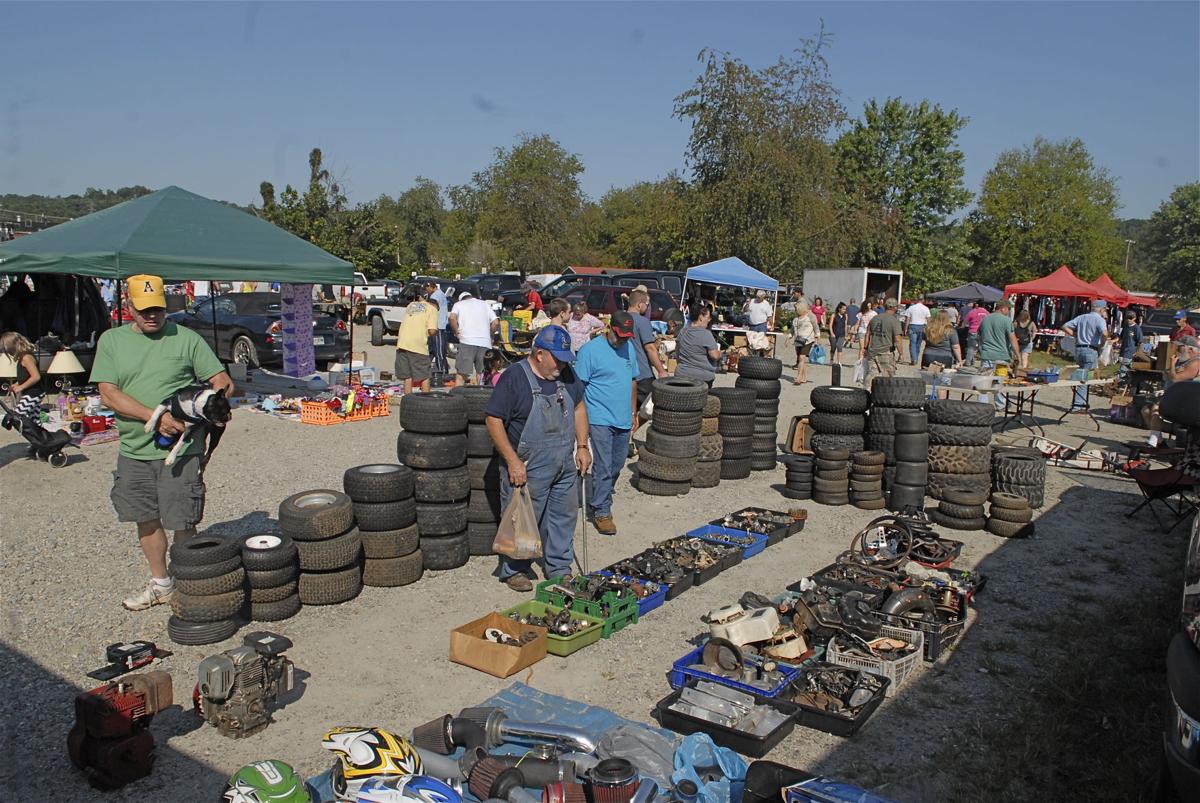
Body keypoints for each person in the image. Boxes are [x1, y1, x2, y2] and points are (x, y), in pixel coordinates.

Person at [89, 275, 234, 611]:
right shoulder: (111, 341)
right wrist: (155, 416)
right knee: (146, 518)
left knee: (183, 519)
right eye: (143, 309)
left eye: (157, 309)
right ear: (129, 306)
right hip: (133, 450)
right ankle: (162, 584)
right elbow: (108, 394)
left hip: (181, 450)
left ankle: (190, 584)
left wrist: (203, 408)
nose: (151, 315)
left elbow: (223, 382)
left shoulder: (187, 339)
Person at [484, 325, 591, 591]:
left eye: (566, 359)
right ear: (540, 354)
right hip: (529, 465)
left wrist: (582, 446)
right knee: (522, 519)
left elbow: (578, 407)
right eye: (558, 358)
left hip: (563, 462)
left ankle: (558, 566)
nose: (563, 364)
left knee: (563, 517)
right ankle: (514, 569)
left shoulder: (567, 375)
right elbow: (493, 419)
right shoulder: (515, 377)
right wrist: (512, 461)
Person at [573, 311, 639, 536]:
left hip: (622, 417)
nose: (622, 340)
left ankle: (601, 495)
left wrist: (633, 412)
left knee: (617, 464)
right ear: (609, 327)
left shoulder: (629, 347)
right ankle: (601, 511)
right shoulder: (589, 351)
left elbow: (632, 381)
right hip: (599, 416)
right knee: (603, 464)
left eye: (626, 336)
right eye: (619, 335)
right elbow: (578, 388)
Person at [628, 289, 668, 451]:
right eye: (647, 304)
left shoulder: (619, 319)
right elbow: (650, 348)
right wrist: (662, 371)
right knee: (650, 407)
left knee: (629, 410)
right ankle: (629, 435)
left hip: (625, 374)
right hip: (642, 373)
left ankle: (626, 436)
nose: (648, 307)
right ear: (639, 304)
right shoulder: (642, 322)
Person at [1061, 300, 1110, 411]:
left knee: (1079, 376)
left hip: (1079, 348)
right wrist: (1102, 344)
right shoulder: (1099, 320)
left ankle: (1079, 402)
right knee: (1085, 378)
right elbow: (1105, 333)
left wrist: (1075, 335)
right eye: (1105, 309)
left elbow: (1065, 326)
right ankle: (1079, 404)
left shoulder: (1081, 317)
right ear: (1101, 309)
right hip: (1091, 349)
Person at [978, 299, 1021, 409]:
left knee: (984, 382)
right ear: (1003, 308)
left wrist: (981, 349)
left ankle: (982, 405)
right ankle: (1001, 404)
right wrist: (1018, 355)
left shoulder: (985, 319)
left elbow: (979, 336)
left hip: (987, 355)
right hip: (1002, 357)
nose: (1009, 311)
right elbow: (1013, 339)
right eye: (1009, 309)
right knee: (1000, 382)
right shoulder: (1006, 320)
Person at [394, 288, 439, 394]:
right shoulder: (432, 309)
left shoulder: (411, 306)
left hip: (402, 343)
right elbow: (432, 331)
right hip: (418, 345)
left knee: (407, 376)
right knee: (424, 376)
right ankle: (425, 402)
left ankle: (407, 401)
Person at [449, 290, 498, 385]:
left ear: (461, 299)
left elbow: (452, 318)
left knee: (461, 374)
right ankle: (482, 395)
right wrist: (490, 334)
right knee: (482, 373)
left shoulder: (459, 304)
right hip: (485, 343)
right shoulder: (484, 304)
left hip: (467, 341)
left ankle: (458, 397)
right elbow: (495, 322)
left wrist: (456, 331)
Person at [675, 304, 722, 386]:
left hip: (681, 374)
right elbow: (714, 355)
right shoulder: (706, 334)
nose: (709, 320)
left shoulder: (682, 332)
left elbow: (677, 352)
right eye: (707, 317)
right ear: (701, 317)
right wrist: (720, 353)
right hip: (702, 379)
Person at [860, 298, 904, 385]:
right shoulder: (894, 321)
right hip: (886, 352)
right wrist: (901, 354)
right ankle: (885, 395)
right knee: (888, 376)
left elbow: (868, 334)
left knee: (871, 374)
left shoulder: (875, 318)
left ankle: (867, 392)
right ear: (894, 308)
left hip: (873, 351)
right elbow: (898, 339)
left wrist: (865, 348)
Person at [1, 332, 43, 418]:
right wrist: (16, 384)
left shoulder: (26, 357)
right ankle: (38, 431)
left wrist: (21, 387)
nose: (9, 353)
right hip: (32, 393)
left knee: (17, 416)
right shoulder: (21, 358)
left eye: (9, 351)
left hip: (34, 393)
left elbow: (36, 376)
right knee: (33, 420)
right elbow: (25, 377)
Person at [790, 302, 821, 385]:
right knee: (801, 359)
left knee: (802, 357)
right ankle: (804, 378)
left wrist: (817, 336)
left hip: (808, 340)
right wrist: (789, 337)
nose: (795, 310)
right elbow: (792, 329)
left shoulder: (810, 316)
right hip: (798, 340)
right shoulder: (796, 318)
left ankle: (799, 377)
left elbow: (815, 326)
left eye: (796, 309)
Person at [426, 280, 450, 377]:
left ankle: (441, 372)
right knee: (432, 350)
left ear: (431, 287)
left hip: (437, 326)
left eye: (426, 289)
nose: (426, 291)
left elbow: (433, 308)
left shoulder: (435, 296)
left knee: (439, 351)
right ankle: (426, 370)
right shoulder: (441, 294)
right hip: (439, 325)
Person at [1113, 310, 1143, 380]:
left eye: (1130, 318)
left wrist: (1138, 352)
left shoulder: (1137, 328)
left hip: (1130, 352)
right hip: (1123, 351)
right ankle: (1122, 382)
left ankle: (1119, 383)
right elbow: (1120, 337)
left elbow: (1140, 342)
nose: (1129, 319)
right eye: (1127, 318)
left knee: (1123, 369)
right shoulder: (1126, 326)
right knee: (1121, 368)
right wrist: (1112, 341)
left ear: (1134, 318)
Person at [902, 296, 931, 366]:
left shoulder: (911, 308)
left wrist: (905, 329)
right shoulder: (926, 308)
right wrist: (929, 329)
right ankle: (916, 358)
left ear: (916, 300)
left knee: (912, 344)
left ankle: (914, 359)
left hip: (913, 326)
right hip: (922, 326)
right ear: (923, 300)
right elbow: (929, 320)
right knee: (918, 344)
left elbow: (907, 319)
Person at [963, 302, 989, 366]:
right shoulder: (987, 313)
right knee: (982, 348)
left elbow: (965, 322)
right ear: (984, 305)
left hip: (973, 331)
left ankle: (968, 363)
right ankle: (984, 364)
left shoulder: (972, 312)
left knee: (970, 348)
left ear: (977, 305)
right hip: (983, 332)